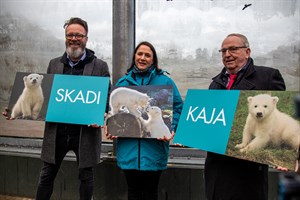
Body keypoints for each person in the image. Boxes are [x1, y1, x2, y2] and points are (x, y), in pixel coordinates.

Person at [3, 17, 110, 200]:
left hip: (85, 133)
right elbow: (42, 96)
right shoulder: (54, 64)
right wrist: (16, 109)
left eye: (78, 35)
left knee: (86, 178)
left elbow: (106, 97)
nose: (74, 38)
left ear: (86, 38)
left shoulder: (100, 66)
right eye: (70, 35)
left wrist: (102, 113)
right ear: (65, 37)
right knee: (46, 177)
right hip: (57, 131)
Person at [205, 33, 286, 200]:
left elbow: (280, 118)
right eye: (223, 51)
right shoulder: (215, 83)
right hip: (217, 168)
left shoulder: (268, 77)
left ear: (247, 52)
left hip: (247, 172)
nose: (227, 54)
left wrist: (284, 152)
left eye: (233, 49)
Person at [106, 41, 183, 200]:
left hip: (154, 150)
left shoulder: (165, 81)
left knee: (150, 192)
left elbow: (178, 107)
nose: (142, 58)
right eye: (139, 54)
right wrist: (111, 126)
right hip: (129, 150)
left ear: (153, 60)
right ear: (134, 56)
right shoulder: (122, 83)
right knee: (133, 191)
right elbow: (113, 111)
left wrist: (171, 127)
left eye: (147, 55)